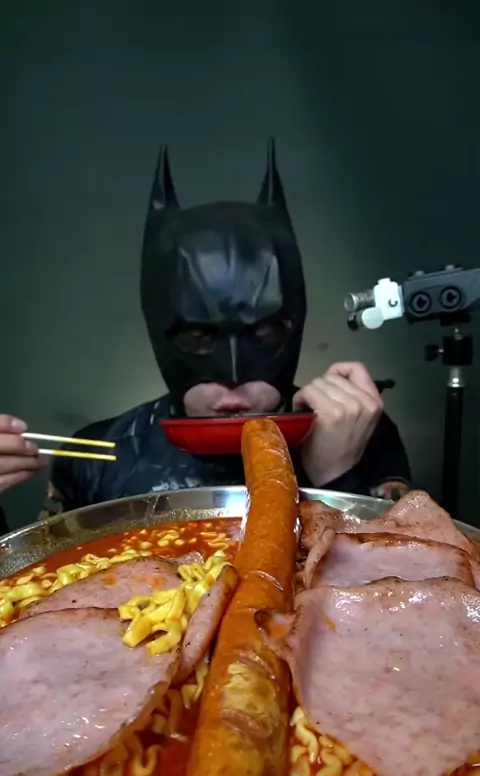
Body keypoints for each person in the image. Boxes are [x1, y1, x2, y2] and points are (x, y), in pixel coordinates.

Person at [0, 141, 411, 531]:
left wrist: (338, 480)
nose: (232, 377)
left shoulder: (358, 433)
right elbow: (42, 574)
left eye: (263, 332)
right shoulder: (97, 454)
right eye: (198, 337)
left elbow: (414, 574)